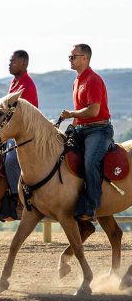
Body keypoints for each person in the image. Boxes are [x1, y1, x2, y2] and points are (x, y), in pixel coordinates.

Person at [59, 44, 113, 222]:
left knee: (90, 162)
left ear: (85, 58)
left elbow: (93, 111)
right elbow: (81, 112)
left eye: (74, 56)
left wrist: (71, 114)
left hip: (99, 130)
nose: (70, 60)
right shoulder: (77, 81)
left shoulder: (93, 80)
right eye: (70, 57)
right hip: (82, 129)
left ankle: (92, 207)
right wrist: (72, 124)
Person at [0, 50, 39, 221]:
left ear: (23, 63)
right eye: (9, 61)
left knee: (11, 160)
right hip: (12, 132)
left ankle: (19, 201)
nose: (9, 64)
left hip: (26, 134)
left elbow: (25, 117)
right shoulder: (14, 83)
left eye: (13, 61)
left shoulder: (27, 85)